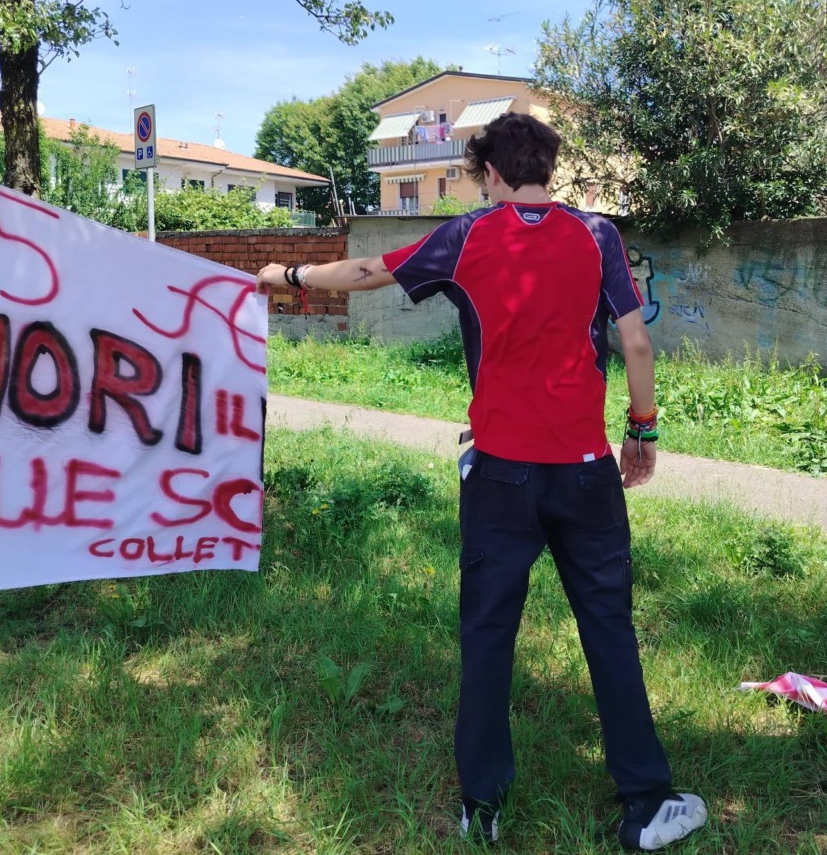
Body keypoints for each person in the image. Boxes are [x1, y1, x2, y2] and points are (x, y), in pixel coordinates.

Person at [255, 112, 706, 850]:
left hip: (499, 477)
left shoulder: (467, 236)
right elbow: (636, 342)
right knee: (610, 634)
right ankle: (647, 803)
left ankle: (483, 805)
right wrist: (643, 430)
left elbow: (366, 273)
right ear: (547, 170)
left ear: (489, 172)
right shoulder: (598, 236)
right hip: (588, 476)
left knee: (489, 635)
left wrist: (289, 274)